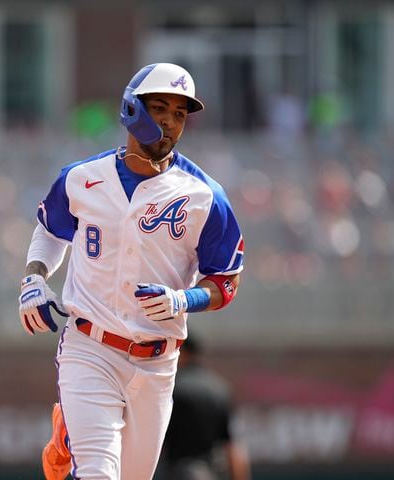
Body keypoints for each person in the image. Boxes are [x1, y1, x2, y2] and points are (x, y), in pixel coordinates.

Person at [18, 63, 244, 480]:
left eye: (179, 114)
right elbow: (50, 231)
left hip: (158, 362)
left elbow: (225, 280)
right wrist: (34, 278)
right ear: (131, 108)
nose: (170, 121)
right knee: (100, 475)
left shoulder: (204, 195)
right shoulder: (82, 178)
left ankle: (67, 436)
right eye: (159, 107)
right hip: (91, 347)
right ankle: (75, 432)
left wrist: (185, 299)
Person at [160, 337, 251, 480]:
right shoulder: (219, 388)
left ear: (183, 352)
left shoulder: (171, 389)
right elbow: (233, 448)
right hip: (210, 472)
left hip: (178, 472)